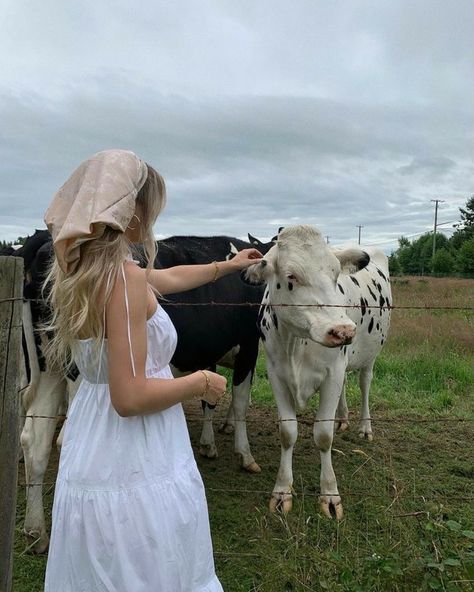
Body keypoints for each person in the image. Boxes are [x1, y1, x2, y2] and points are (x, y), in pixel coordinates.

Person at [42, 149, 262, 591]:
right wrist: (197, 382)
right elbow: (129, 398)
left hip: (94, 435)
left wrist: (229, 266)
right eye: (150, 205)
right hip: (133, 449)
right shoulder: (121, 282)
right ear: (130, 210)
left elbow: (170, 279)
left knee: (104, 563)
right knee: (145, 555)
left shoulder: (88, 272)